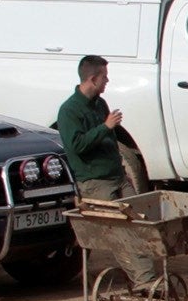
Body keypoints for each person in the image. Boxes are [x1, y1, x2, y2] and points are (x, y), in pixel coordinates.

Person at [53, 55, 142, 196]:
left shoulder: (100, 104)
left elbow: (111, 143)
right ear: (93, 80)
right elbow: (77, 145)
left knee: (140, 211)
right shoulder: (69, 110)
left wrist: (122, 171)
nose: (107, 80)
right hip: (96, 183)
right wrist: (105, 127)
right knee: (114, 218)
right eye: (104, 77)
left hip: (118, 178)